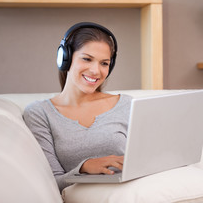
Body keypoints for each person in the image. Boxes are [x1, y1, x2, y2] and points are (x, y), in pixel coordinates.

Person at [23, 22, 132, 192]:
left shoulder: (127, 105)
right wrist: (84, 167)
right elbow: (51, 183)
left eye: (104, 63)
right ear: (65, 59)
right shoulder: (40, 113)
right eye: (87, 59)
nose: (96, 71)